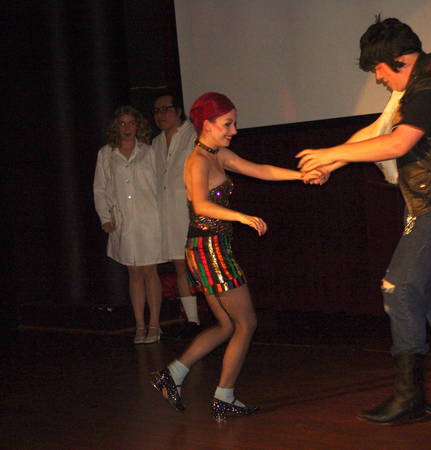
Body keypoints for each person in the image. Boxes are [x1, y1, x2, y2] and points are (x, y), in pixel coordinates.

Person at [297, 16, 431, 424]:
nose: (378, 78)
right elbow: (376, 132)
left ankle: (409, 396)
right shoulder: (420, 81)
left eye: (379, 69)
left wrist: (330, 154)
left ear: (400, 60)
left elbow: (398, 143)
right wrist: (330, 162)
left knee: (398, 288)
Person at [151, 92, 324, 421]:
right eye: (227, 124)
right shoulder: (197, 161)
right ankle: (224, 397)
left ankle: (172, 375)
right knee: (246, 322)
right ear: (207, 124)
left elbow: (261, 170)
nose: (234, 130)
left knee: (227, 325)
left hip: (211, 248)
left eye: (234, 124)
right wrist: (241, 217)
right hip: (210, 250)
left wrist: (302, 175)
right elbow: (201, 205)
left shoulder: (219, 154)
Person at [94, 106, 165, 344]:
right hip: (123, 221)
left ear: (138, 126)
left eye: (131, 123)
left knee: (150, 271)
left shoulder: (149, 151)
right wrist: (105, 217)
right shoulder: (106, 153)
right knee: (133, 272)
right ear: (116, 126)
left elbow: (160, 185)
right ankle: (139, 325)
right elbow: (100, 188)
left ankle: (154, 323)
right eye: (122, 123)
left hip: (150, 218)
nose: (127, 128)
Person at [151, 92, 203, 339]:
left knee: (200, 266)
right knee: (180, 266)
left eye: (165, 109)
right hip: (168, 214)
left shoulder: (193, 135)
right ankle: (192, 321)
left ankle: (222, 316)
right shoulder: (156, 143)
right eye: (156, 111)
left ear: (178, 111)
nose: (160, 115)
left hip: (190, 211)